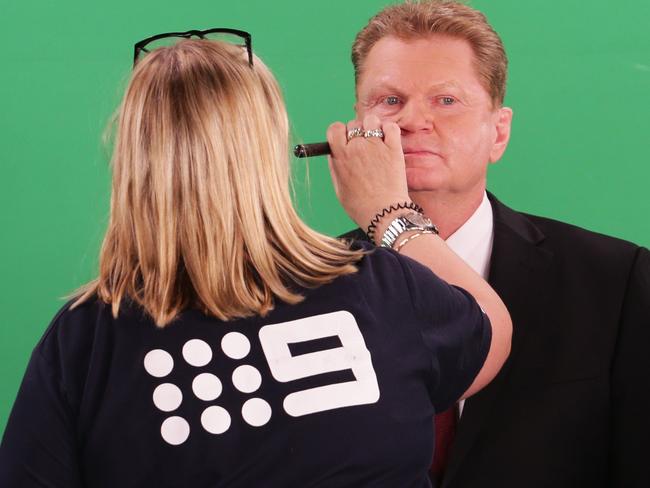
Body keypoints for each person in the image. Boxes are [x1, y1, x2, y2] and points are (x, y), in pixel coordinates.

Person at [0, 29, 512, 487]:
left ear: (133, 159)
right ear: (267, 149)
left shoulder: (84, 341)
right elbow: (490, 328)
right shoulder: (379, 286)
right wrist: (388, 213)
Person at [335, 2, 650, 487]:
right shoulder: (299, 288)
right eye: (389, 101)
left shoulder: (618, 281)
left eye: (446, 101)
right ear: (356, 125)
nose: (413, 120)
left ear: (498, 132)